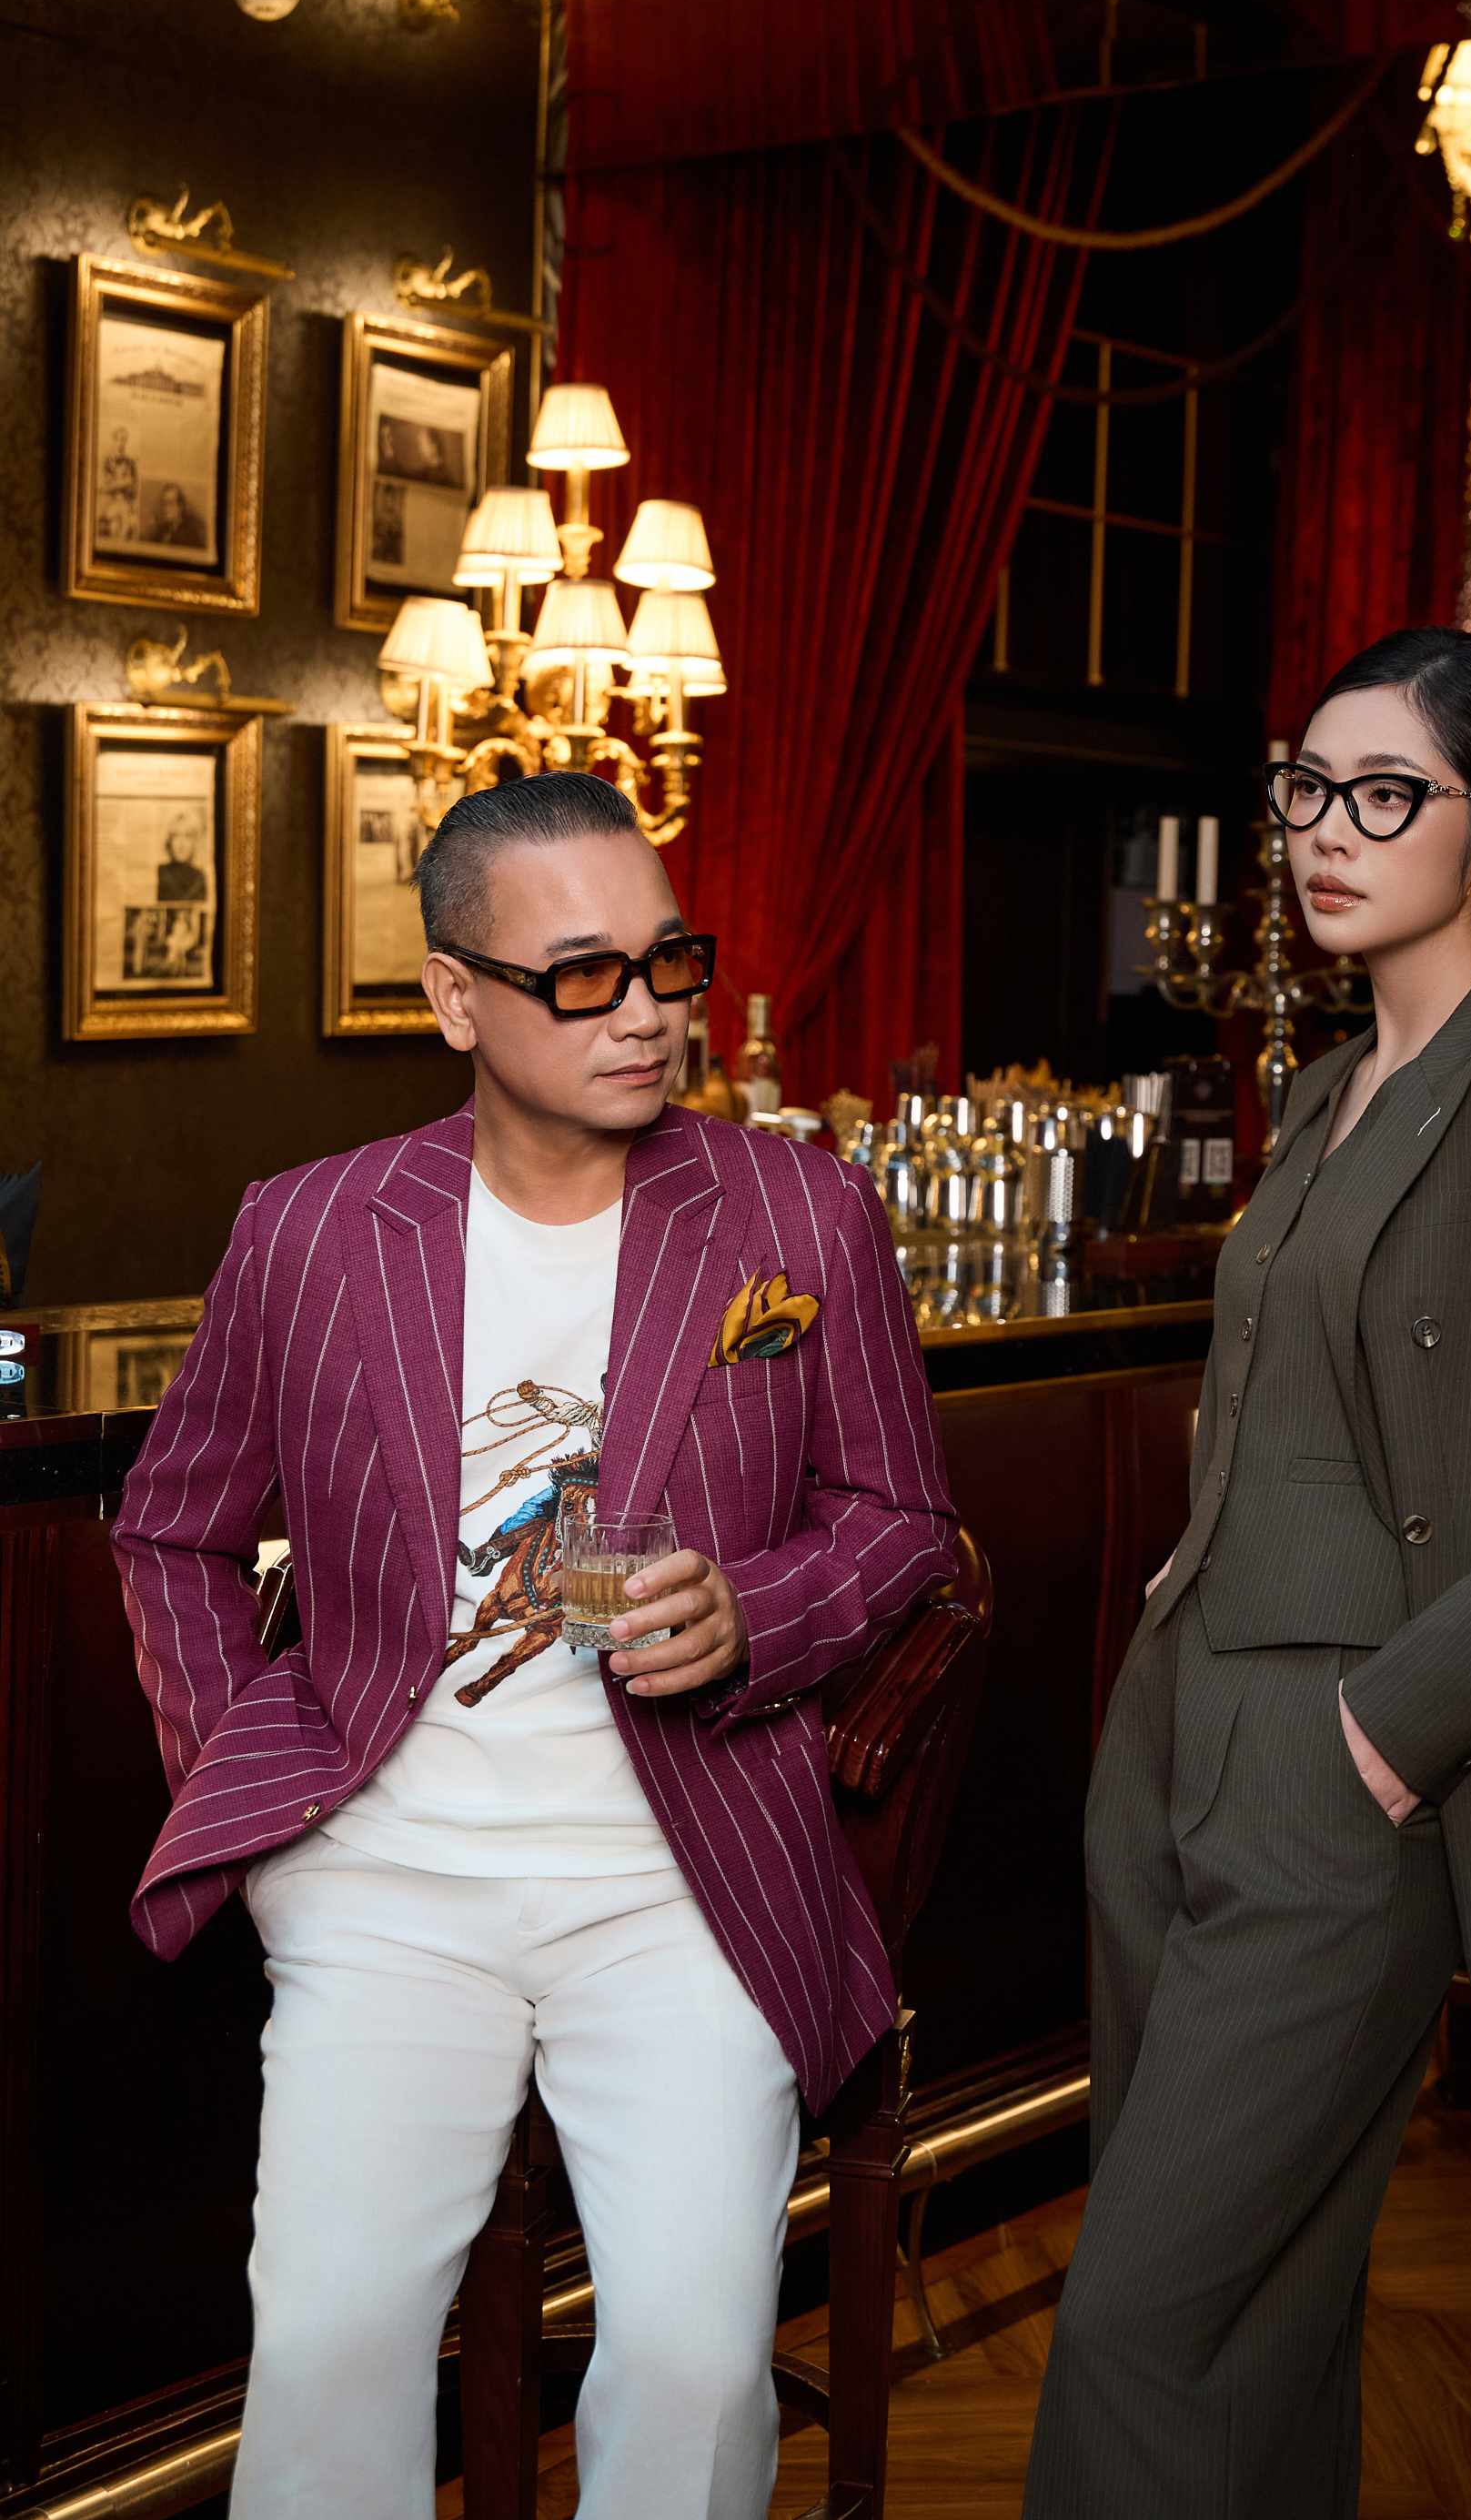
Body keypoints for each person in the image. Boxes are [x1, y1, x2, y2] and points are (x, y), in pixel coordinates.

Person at [115, 771, 956, 2520]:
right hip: (384, 1878)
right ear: (454, 997)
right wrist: (257, 1810)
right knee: (330, 2344)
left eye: (669, 962)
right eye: (583, 975)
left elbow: (899, 1522)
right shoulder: (310, 1229)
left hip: (685, 1873)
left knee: (699, 2362)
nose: (646, 1012)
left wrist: (757, 1613)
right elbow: (173, 1530)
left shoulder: (800, 1214)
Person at [1022, 627, 1471, 2518]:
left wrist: (1394, 1731)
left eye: (1388, 794)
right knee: (1256, 2319)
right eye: (1307, 788)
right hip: (1178, 1733)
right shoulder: (1328, 1090)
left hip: (1343, 1770)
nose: (1328, 831)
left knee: (1139, 2325)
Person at [156, 812, 207, 904]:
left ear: (194, 842)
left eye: (188, 836)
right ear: (169, 841)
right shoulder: (160, 872)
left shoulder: (200, 876)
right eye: (176, 836)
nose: (181, 844)